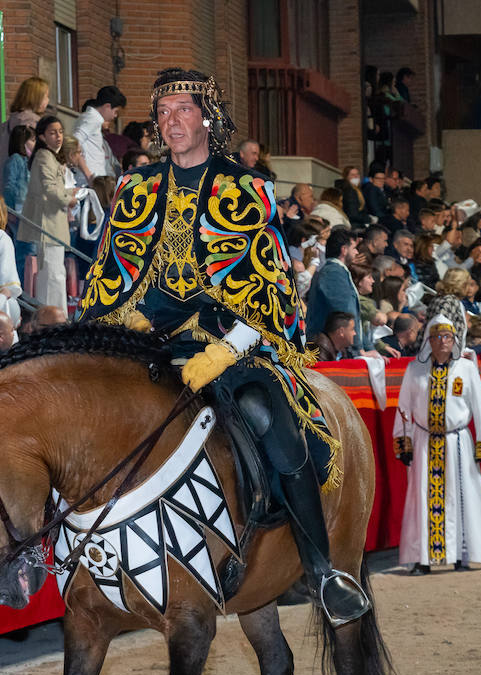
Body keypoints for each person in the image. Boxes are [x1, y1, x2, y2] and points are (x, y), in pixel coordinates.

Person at [77, 66, 368, 622]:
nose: (171, 122)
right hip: (150, 344)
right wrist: (124, 324)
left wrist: (230, 346)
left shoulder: (244, 188)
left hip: (229, 343)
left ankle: (322, 569)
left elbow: (270, 283)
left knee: (271, 417)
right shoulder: (137, 188)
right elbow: (112, 274)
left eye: (183, 110)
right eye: (162, 113)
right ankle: (65, 553)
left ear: (207, 118)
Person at [394, 312, 481, 573]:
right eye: (437, 336)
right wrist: (403, 441)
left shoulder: (466, 369)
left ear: (454, 339)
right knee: (423, 498)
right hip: (424, 442)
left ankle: (459, 555)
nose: (443, 341)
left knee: (461, 497)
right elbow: (404, 407)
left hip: (458, 443)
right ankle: (423, 558)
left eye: (448, 336)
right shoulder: (415, 369)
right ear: (428, 340)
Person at [18, 115, 82, 310]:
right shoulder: (44, 156)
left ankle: (54, 312)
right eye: (53, 133)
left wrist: (72, 192)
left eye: (61, 132)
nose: (58, 137)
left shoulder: (50, 156)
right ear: (43, 137)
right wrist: (68, 199)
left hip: (54, 219)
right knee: (52, 272)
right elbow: (49, 188)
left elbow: (54, 188)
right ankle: (54, 314)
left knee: (53, 271)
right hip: (48, 221)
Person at [74, 85, 126, 180]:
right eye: (116, 112)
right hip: (90, 179)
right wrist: (89, 176)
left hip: (94, 177)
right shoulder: (92, 118)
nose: (115, 116)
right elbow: (74, 144)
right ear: (107, 106)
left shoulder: (92, 118)